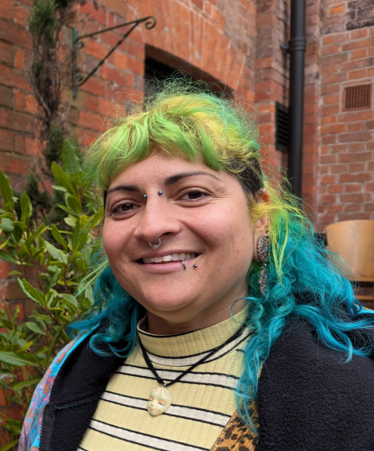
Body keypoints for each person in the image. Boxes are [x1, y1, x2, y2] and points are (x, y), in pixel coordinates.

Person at [20, 87, 374, 451]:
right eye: (125, 206)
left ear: (261, 216)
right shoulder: (67, 370)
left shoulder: (347, 391)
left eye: (193, 194)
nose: (152, 227)